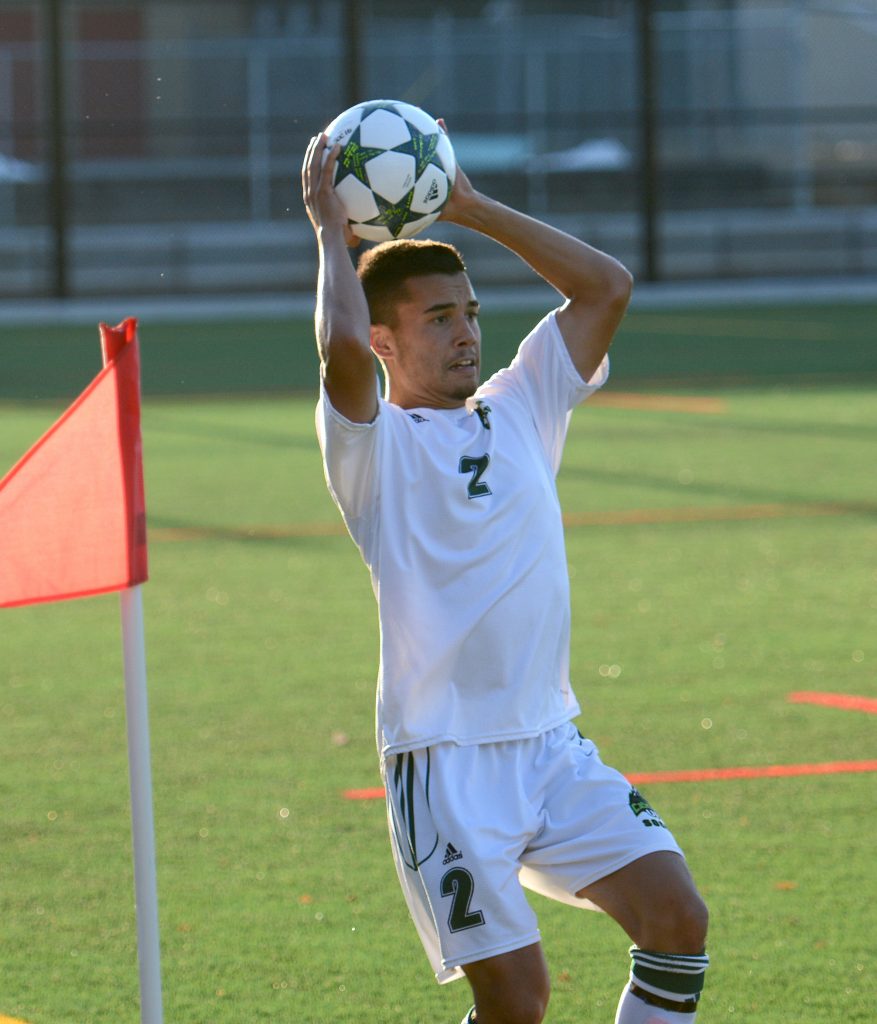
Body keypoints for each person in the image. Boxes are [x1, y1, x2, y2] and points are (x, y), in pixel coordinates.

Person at [301, 126, 709, 1024]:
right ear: (385, 340)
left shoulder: (525, 404)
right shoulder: (374, 450)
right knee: (517, 1001)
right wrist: (332, 234)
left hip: (551, 745)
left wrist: (472, 207)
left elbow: (605, 286)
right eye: (438, 318)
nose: (466, 332)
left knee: (677, 920)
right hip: (442, 762)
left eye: (472, 312)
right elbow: (334, 353)